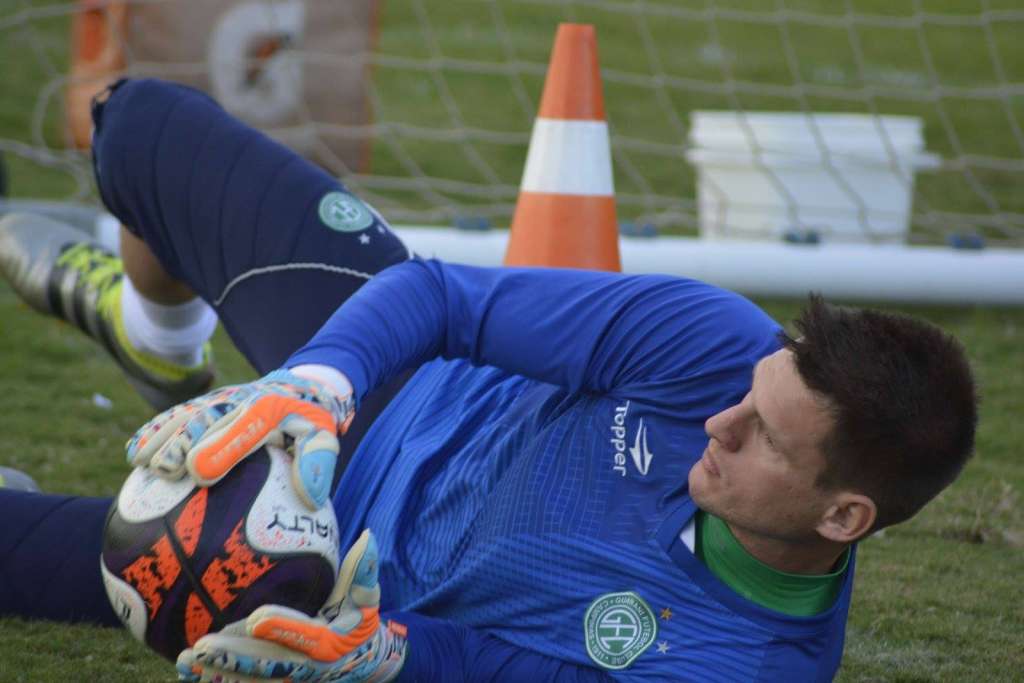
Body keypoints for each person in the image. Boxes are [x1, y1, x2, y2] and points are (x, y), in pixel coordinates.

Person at [0, 78, 977, 682]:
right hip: (394, 391)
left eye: (764, 434)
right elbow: (443, 300)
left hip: (325, 569)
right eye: (750, 394)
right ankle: (158, 336)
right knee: (136, 126)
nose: (720, 420)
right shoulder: (716, 343)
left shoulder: (736, 666)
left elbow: (476, 662)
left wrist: (370, 650)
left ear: (843, 515)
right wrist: (318, 388)